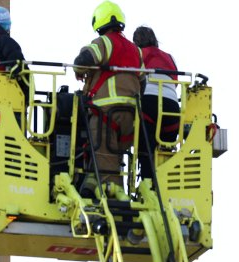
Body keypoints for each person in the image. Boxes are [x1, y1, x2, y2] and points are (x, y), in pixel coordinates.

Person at [73, 1, 142, 195]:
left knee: (104, 157)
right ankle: (89, 186)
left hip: (105, 112)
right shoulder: (136, 50)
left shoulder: (104, 42)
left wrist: (80, 71)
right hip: (131, 116)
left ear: (99, 22)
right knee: (111, 157)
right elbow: (142, 81)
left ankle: (112, 195)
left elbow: (81, 62)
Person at [133, 26, 180, 180]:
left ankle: (147, 182)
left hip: (148, 102)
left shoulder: (137, 54)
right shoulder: (169, 57)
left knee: (145, 146)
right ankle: (163, 182)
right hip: (172, 107)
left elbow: (132, 79)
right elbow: (175, 81)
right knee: (166, 150)